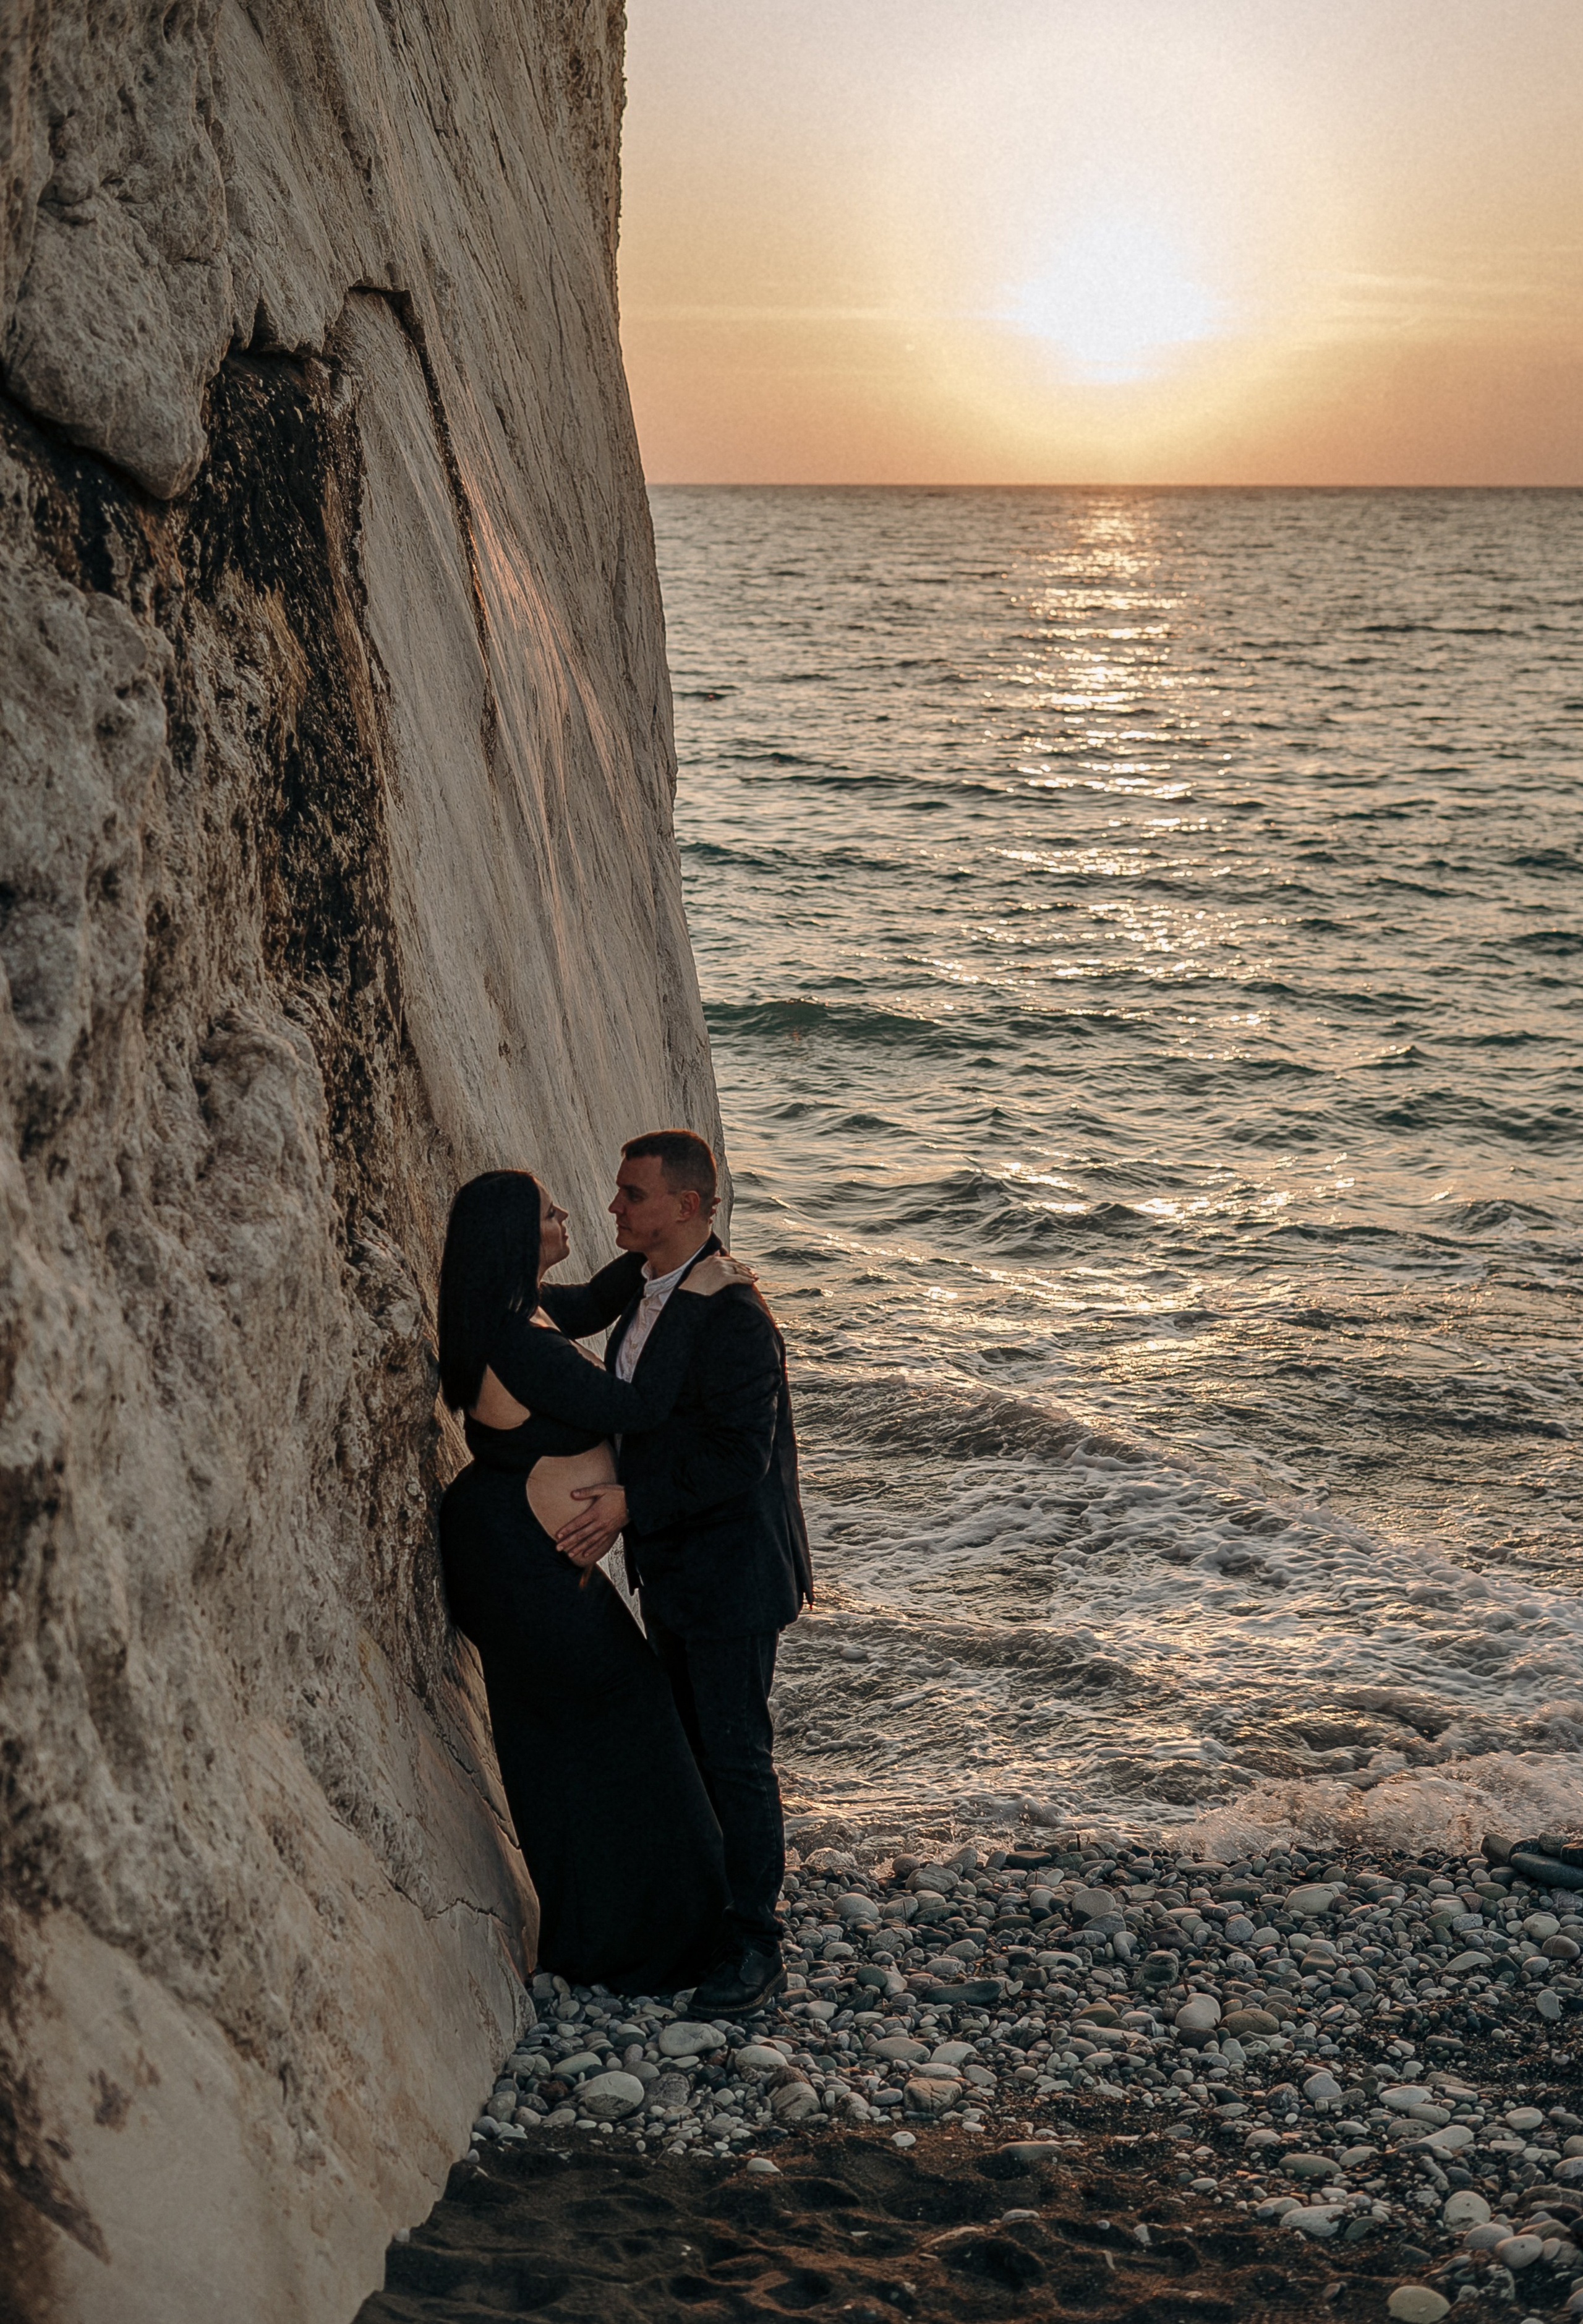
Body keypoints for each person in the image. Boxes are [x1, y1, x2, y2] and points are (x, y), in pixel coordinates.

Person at [435, 1168, 748, 1996]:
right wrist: (697, 1298)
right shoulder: (519, 1344)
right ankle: (653, 1941)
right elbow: (637, 1405)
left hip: (514, 1554)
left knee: (560, 1748)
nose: (569, 1213)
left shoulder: (522, 1312)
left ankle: (596, 1937)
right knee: (629, 1727)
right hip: (519, 1568)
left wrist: (663, 1254)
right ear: (515, 1236)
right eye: (549, 1211)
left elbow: (596, 1300)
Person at [556, 1130, 813, 2017]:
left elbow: (742, 1457)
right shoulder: (642, 1276)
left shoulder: (733, 1312)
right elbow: (574, 1307)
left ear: (690, 1207)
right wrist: (490, 1284)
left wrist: (630, 1502)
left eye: (633, 1195)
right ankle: (703, 1923)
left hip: (733, 1569)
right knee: (691, 1745)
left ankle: (757, 1946)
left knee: (736, 1753)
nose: (614, 1208)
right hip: (673, 1561)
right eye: (619, 1191)